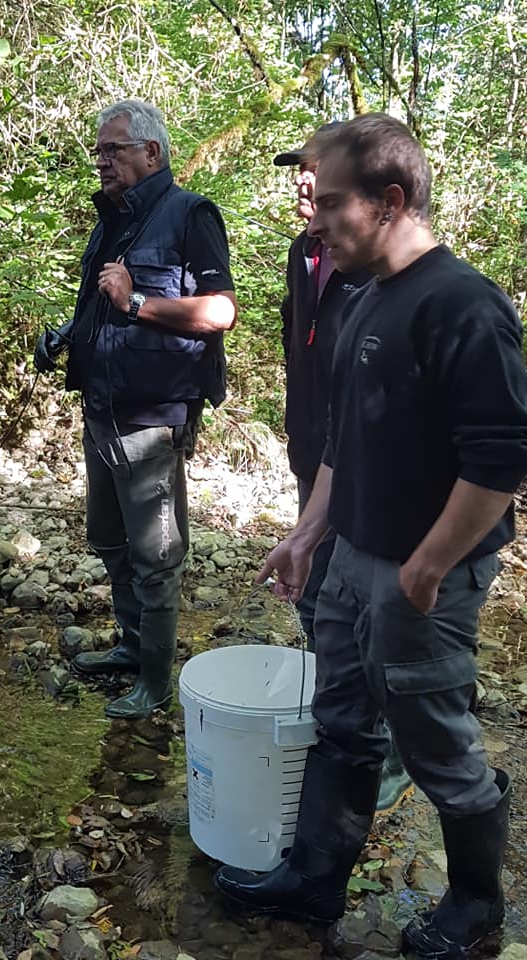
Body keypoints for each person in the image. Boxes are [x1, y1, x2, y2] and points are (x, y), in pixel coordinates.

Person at [215, 113, 527, 959]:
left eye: (332, 202)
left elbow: (501, 459)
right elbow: (342, 444)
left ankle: (476, 907)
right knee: (342, 722)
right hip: (352, 556)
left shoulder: (464, 303)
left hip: (424, 575)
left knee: (434, 740)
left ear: (389, 201)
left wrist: (430, 563)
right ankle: (315, 880)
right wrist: (307, 535)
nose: (315, 219)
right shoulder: (364, 298)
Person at [35, 99, 236, 721]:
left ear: (152, 152)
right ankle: (130, 646)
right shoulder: (112, 222)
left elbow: (220, 311)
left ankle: (155, 682)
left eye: (113, 149)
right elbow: (103, 308)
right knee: (108, 539)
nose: (102, 160)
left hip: (152, 417)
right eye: (98, 151)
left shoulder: (190, 214)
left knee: (156, 557)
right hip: (102, 408)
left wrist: (138, 301)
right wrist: (66, 337)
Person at [275, 125, 412, 815]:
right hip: (319, 458)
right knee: (320, 603)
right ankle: (343, 732)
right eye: (300, 175)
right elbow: (302, 354)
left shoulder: (382, 275)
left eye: (320, 179)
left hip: (377, 486)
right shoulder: (305, 254)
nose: (305, 187)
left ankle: (392, 752)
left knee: (376, 628)